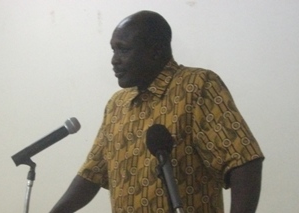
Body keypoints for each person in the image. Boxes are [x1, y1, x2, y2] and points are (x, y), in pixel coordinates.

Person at [50, 10, 264, 213]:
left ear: (155, 51)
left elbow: (243, 159)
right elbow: (92, 173)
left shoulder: (196, 86)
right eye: (113, 50)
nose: (114, 60)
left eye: (123, 49)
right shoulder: (117, 104)